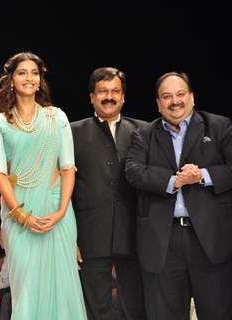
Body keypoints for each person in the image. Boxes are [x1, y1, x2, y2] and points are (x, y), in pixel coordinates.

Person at [0, 52, 87, 320]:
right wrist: (21, 215)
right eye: (22, 73)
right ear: (10, 80)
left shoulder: (57, 117)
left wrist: (62, 210)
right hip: (18, 211)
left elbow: (68, 167)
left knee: (63, 286)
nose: (29, 78)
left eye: (34, 73)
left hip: (57, 211)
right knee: (27, 286)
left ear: (41, 80)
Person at [125, 71, 232, 319]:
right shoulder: (144, 134)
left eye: (180, 94)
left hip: (209, 240)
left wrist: (202, 175)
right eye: (167, 96)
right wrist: (174, 181)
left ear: (192, 97)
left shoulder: (219, 127)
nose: (175, 101)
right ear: (158, 103)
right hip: (163, 242)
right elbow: (133, 171)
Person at [70, 67, 145, 320]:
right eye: (102, 91)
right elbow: (62, 188)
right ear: (92, 96)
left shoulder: (143, 131)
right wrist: (70, 238)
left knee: (136, 307)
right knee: (97, 310)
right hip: (90, 235)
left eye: (115, 91)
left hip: (135, 234)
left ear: (123, 96)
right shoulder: (72, 132)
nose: (109, 97)